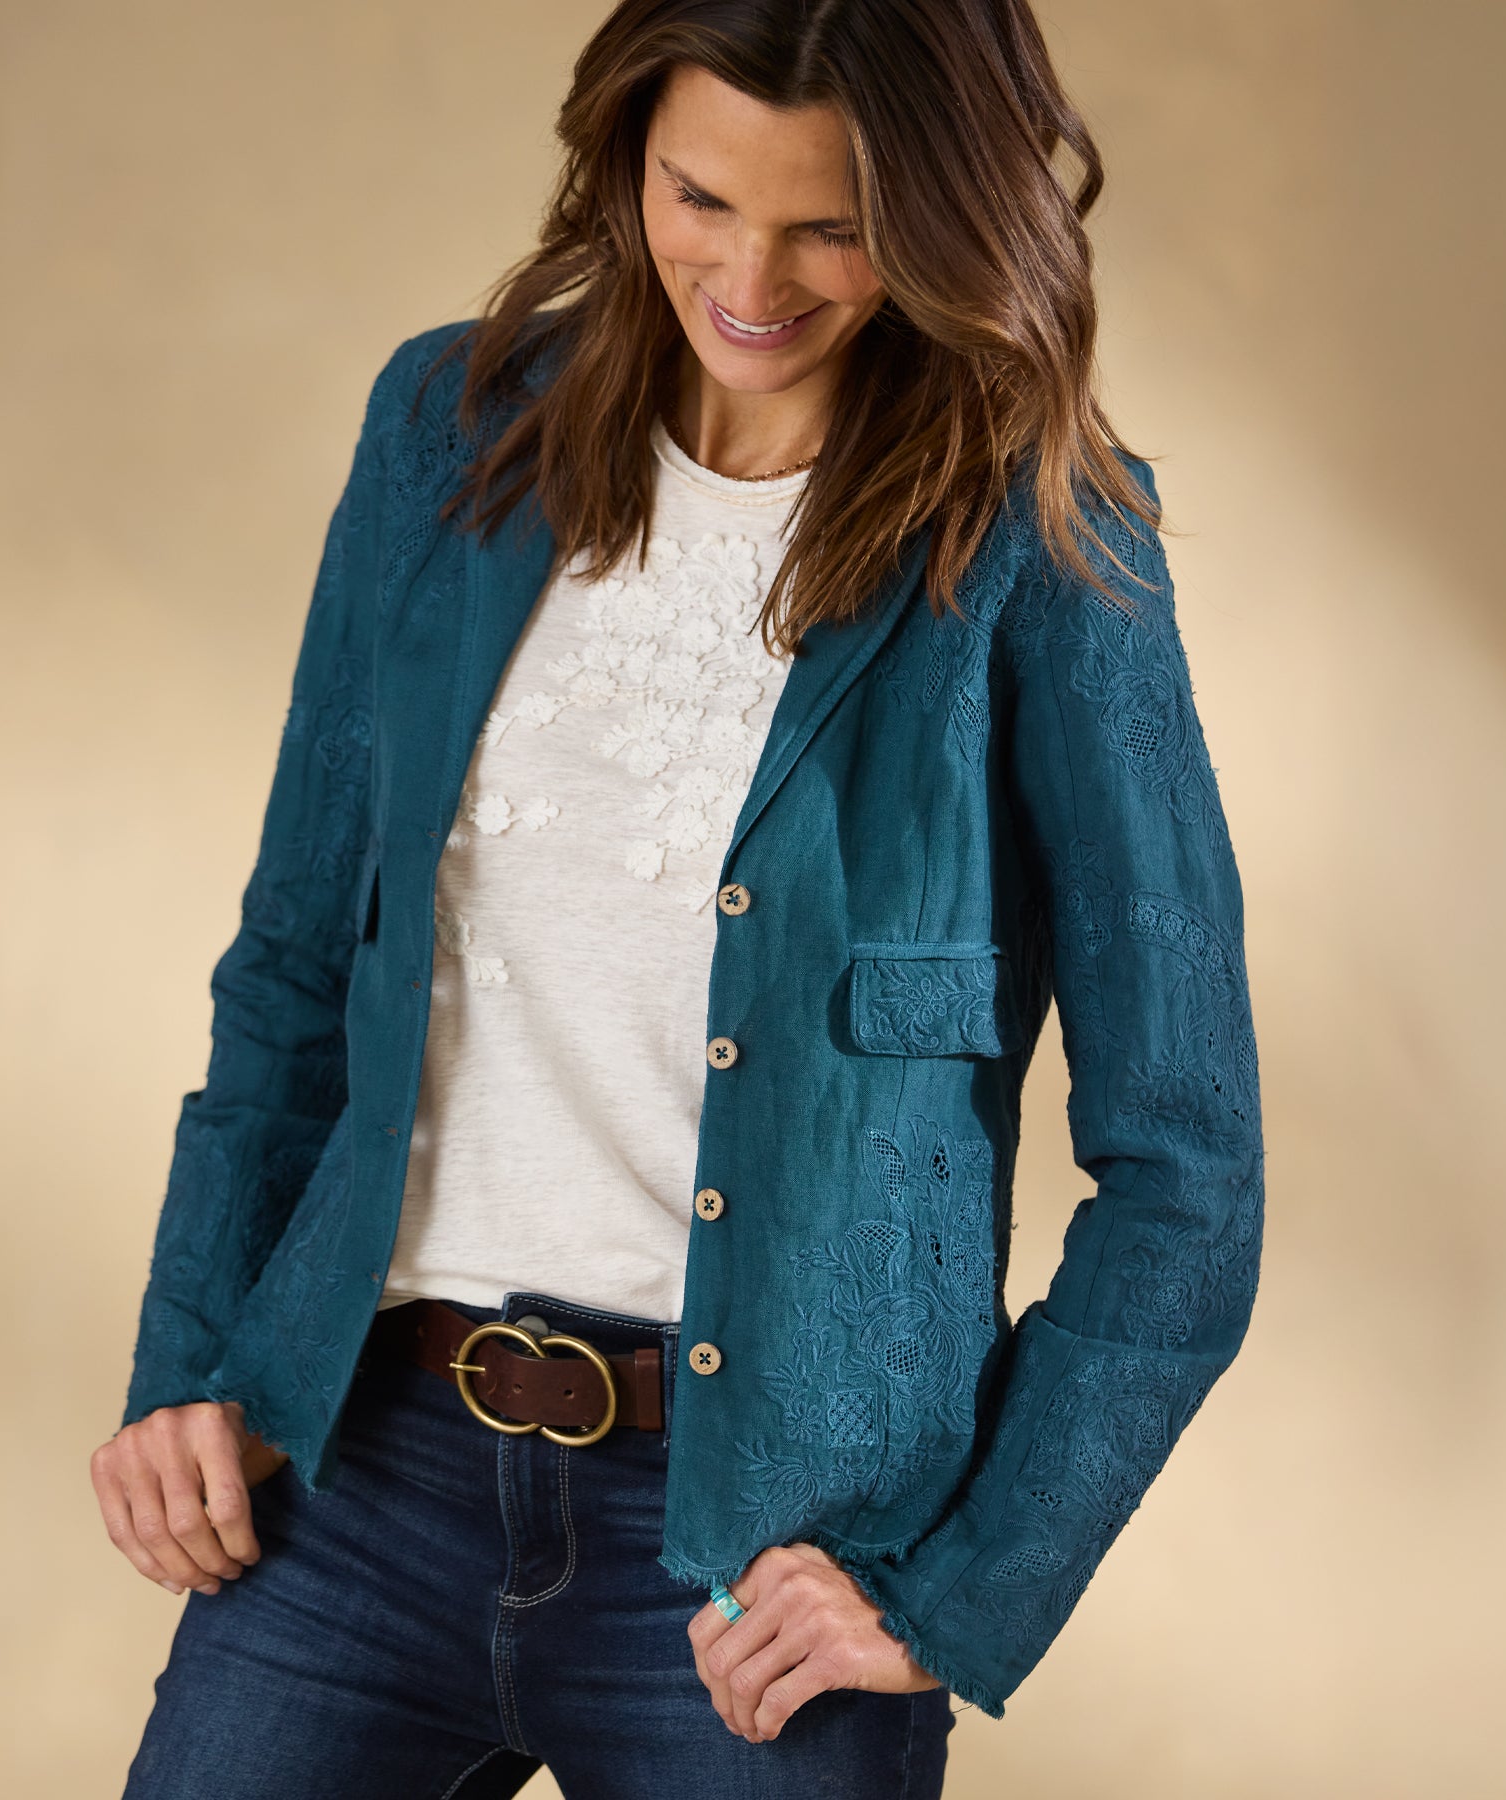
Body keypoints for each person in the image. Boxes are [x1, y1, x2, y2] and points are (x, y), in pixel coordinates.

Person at [94, 3, 1266, 1795]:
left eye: (833, 227)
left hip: (767, 1556)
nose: (750, 278)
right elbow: (295, 966)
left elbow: (1188, 1168)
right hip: (361, 1471)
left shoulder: (1041, 544)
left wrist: (961, 1590)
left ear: (946, 216)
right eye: (698, 197)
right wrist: (189, 1356)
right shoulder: (449, 428)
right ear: (623, 152)